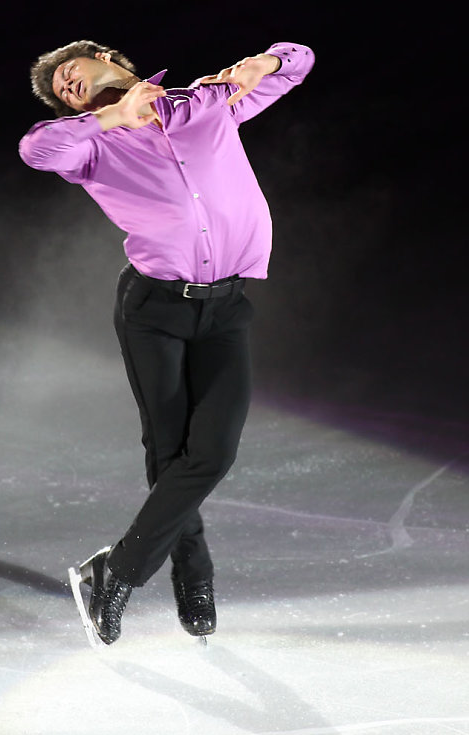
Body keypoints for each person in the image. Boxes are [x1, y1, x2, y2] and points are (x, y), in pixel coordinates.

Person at [19, 37, 315, 645]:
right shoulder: (89, 143)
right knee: (168, 447)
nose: (65, 84)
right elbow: (35, 150)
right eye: (60, 90)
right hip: (153, 309)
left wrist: (266, 63)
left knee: (211, 452)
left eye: (70, 70)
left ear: (112, 58)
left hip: (227, 306)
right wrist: (108, 116)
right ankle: (192, 574)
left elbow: (300, 58)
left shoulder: (205, 103)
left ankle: (117, 570)